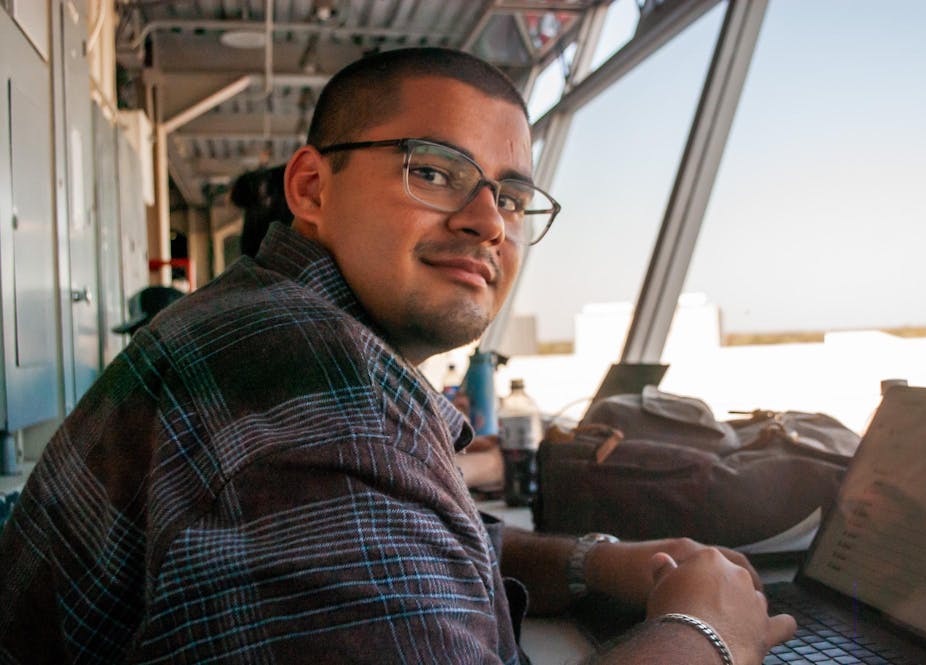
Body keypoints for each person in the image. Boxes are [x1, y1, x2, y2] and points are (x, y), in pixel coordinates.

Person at [0, 48, 794, 664]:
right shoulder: (304, 376)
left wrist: (597, 561)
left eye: (512, 197)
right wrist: (706, 633)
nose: (490, 222)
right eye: (435, 171)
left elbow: (414, 537)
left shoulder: (279, 331)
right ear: (311, 188)